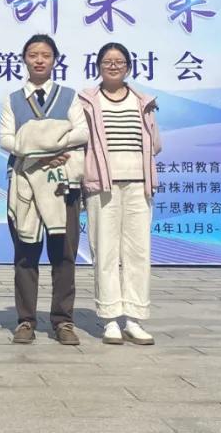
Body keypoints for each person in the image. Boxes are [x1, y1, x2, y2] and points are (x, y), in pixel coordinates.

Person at [0, 35, 88, 345]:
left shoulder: (69, 97)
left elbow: (82, 132)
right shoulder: (13, 99)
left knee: (64, 253)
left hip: (63, 185)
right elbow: (6, 139)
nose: (39, 60)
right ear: (24, 59)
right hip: (24, 184)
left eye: (45, 55)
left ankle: (63, 321)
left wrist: (43, 147)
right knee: (25, 253)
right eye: (33, 54)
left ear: (54, 60)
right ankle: (25, 320)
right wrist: (45, 152)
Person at [78, 42, 161, 346]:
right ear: (98, 66)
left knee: (138, 252)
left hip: (139, 184)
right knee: (105, 251)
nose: (113, 66)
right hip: (102, 184)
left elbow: (155, 143)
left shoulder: (143, 100)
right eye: (107, 61)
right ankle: (110, 319)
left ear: (128, 67)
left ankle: (134, 319)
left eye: (119, 61)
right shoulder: (87, 101)